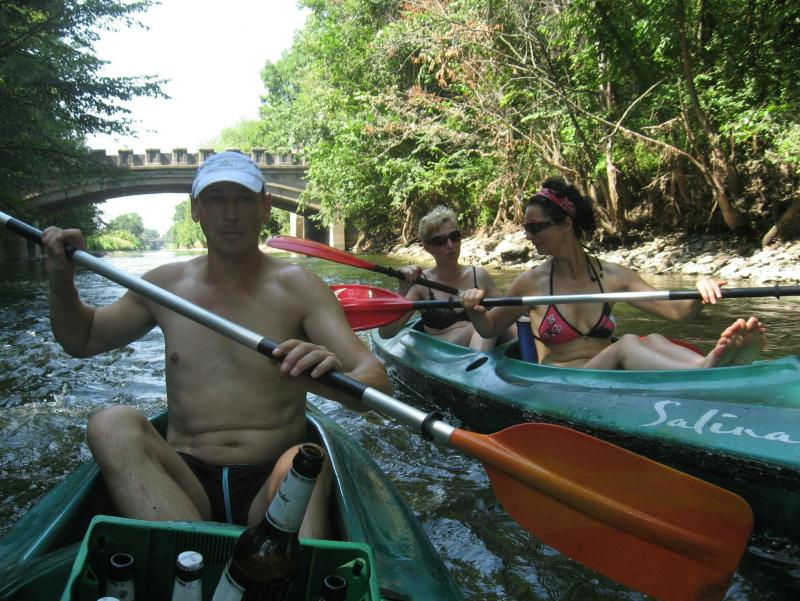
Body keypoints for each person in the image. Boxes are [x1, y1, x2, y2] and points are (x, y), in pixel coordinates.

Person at [41, 151, 390, 536]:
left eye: (243, 199)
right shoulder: (163, 286)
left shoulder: (301, 288)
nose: (230, 213)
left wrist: (333, 379)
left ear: (265, 207)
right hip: (184, 481)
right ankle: (187, 551)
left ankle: (273, 568)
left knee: (307, 461)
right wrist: (61, 282)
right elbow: (83, 338)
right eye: (216, 199)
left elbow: (376, 380)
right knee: (110, 425)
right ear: (196, 209)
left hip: (271, 480)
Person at [460, 177, 765, 369]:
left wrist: (700, 291)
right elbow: (489, 327)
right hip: (562, 384)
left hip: (607, 375)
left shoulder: (614, 276)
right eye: (527, 228)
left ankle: (713, 366)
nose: (529, 236)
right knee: (628, 342)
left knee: (654, 338)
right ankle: (704, 369)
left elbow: (675, 311)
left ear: (566, 224)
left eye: (535, 227)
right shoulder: (531, 282)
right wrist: (474, 308)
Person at [377, 205, 512, 350]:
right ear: (427, 247)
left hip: (480, 347)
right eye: (440, 241)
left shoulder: (479, 276)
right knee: (482, 324)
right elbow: (386, 333)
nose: (450, 245)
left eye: (455, 237)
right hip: (444, 353)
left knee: (504, 323)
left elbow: (505, 315)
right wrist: (403, 290)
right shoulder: (420, 284)